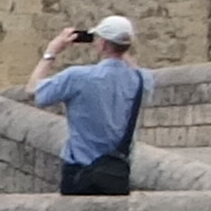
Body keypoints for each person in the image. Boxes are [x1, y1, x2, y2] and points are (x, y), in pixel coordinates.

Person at [31, 15, 147, 196]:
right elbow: (131, 66)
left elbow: (34, 91)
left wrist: (51, 51)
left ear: (102, 45)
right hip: (117, 174)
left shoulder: (78, 77)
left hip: (80, 172)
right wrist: (122, 48)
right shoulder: (143, 80)